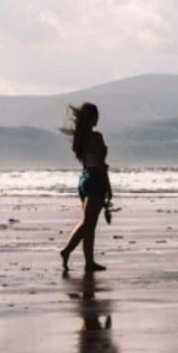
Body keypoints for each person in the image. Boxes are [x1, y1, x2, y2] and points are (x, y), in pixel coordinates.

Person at [60, 102, 112, 273]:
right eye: (96, 116)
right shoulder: (95, 137)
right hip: (95, 179)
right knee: (88, 223)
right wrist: (108, 187)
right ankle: (67, 250)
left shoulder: (81, 139)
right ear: (92, 118)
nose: (98, 119)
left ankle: (89, 261)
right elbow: (100, 164)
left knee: (89, 224)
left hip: (84, 179)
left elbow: (90, 163)